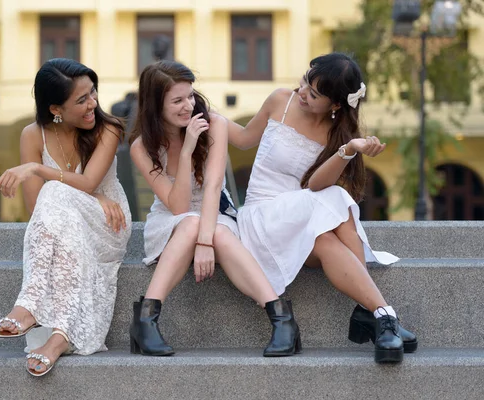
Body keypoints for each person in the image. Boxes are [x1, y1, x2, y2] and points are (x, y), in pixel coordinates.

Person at [228, 53, 417, 364]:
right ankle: (380, 315)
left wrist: (347, 150)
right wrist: (204, 112)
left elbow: (315, 185)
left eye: (314, 94)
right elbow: (244, 138)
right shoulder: (281, 101)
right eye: (305, 82)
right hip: (263, 217)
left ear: (336, 105)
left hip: (301, 222)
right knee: (337, 198)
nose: (302, 93)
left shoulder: (338, 134)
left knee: (326, 238)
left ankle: (378, 314)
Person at [128, 60, 300, 357]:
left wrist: (205, 241)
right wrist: (186, 151)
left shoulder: (215, 124)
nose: (188, 106)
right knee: (191, 222)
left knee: (214, 231)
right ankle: (145, 321)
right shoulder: (142, 146)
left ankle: (282, 318)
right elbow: (178, 205)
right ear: (156, 105)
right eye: (177, 100)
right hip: (171, 220)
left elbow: (212, 186)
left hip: (215, 212)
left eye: (190, 96)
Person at [0, 58, 131, 376]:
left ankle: (29, 306)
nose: (92, 103)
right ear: (56, 109)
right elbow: (36, 207)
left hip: (107, 224)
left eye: (92, 93)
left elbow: (89, 182)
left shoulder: (108, 129)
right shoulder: (32, 134)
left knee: (53, 191)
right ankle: (59, 337)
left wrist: (38, 168)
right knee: (53, 200)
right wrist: (75, 190)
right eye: (81, 100)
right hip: (63, 224)